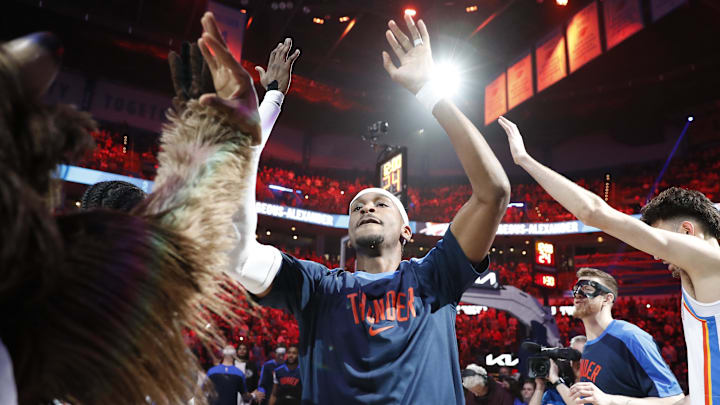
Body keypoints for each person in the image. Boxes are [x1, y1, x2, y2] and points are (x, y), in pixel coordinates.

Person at [229, 12, 511, 405]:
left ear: (406, 231)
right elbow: (235, 250)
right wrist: (269, 104)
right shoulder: (318, 287)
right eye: (357, 206)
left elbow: (494, 191)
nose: (367, 207)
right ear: (348, 231)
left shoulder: (435, 276)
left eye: (381, 202)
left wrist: (430, 90)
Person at [499, 115, 718, 405]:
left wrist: (524, 159)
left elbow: (594, 212)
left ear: (687, 231)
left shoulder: (709, 259)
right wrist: (612, 400)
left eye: (661, 240)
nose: (655, 254)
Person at [531, 269, 684, 405]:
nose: (578, 294)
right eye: (576, 290)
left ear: (607, 298)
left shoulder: (630, 337)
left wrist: (610, 400)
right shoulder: (589, 347)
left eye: (587, 289)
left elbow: (675, 400)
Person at [529, 335, 587, 405]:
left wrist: (556, 380)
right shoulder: (555, 392)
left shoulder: (596, 388)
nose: (578, 361)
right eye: (574, 355)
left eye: (583, 356)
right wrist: (540, 386)